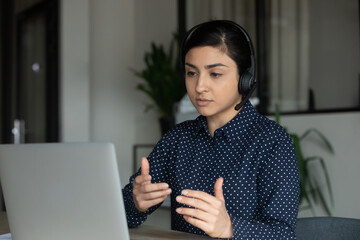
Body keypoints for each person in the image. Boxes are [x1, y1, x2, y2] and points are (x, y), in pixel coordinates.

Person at [122, 20, 299, 239]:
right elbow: (118, 213)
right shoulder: (178, 139)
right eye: (191, 73)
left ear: (245, 79)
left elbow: (283, 234)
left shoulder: (272, 141)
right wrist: (135, 203)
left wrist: (230, 228)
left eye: (215, 74)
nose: (199, 87)